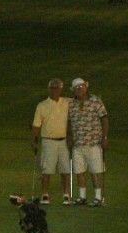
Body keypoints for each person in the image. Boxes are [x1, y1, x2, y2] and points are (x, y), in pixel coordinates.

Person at [67, 78, 108, 207]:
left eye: (81, 86)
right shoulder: (71, 104)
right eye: (77, 88)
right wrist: (69, 137)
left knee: (95, 171)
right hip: (77, 144)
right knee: (79, 172)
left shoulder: (95, 101)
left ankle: (98, 198)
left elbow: (104, 118)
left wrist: (105, 137)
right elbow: (69, 122)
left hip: (93, 143)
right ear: (73, 90)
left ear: (86, 87)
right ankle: (82, 197)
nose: (79, 89)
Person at [31, 78, 71, 206]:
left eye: (57, 88)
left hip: (64, 141)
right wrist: (34, 140)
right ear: (49, 89)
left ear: (61, 89)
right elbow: (36, 125)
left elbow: (82, 102)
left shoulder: (68, 102)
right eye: (52, 88)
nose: (55, 90)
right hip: (48, 141)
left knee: (65, 169)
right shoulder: (42, 105)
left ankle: (66, 194)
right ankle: (44, 194)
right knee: (47, 169)